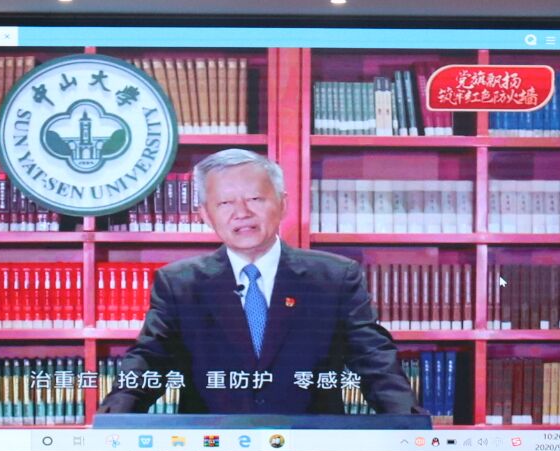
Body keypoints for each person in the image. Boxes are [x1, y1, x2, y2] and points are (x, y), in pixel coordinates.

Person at [97, 149, 417, 417]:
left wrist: (411, 429)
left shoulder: (334, 278)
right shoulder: (180, 284)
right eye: (225, 203)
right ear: (205, 214)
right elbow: (148, 362)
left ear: (282, 203)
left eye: (255, 198)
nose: (242, 213)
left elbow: (375, 363)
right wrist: (110, 424)